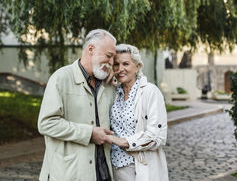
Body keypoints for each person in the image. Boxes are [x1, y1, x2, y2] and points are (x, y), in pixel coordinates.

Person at [38, 29, 117, 181]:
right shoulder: (61, 78)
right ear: (91, 50)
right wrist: (89, 133)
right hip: (69, 174)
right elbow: (46, 124)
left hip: (103, 174)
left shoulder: (109, 85)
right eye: (109, 56)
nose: (112, 62)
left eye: (113, 58)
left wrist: (119, 82)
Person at [107, 44, 169, 181]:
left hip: (140, 167)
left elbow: (157, 137)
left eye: (126, 64)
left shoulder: (150, 92)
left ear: (137, 66)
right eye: (116, 64)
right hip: (114, 167)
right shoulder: (113, 92)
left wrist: (123, 142)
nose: (120, 69)